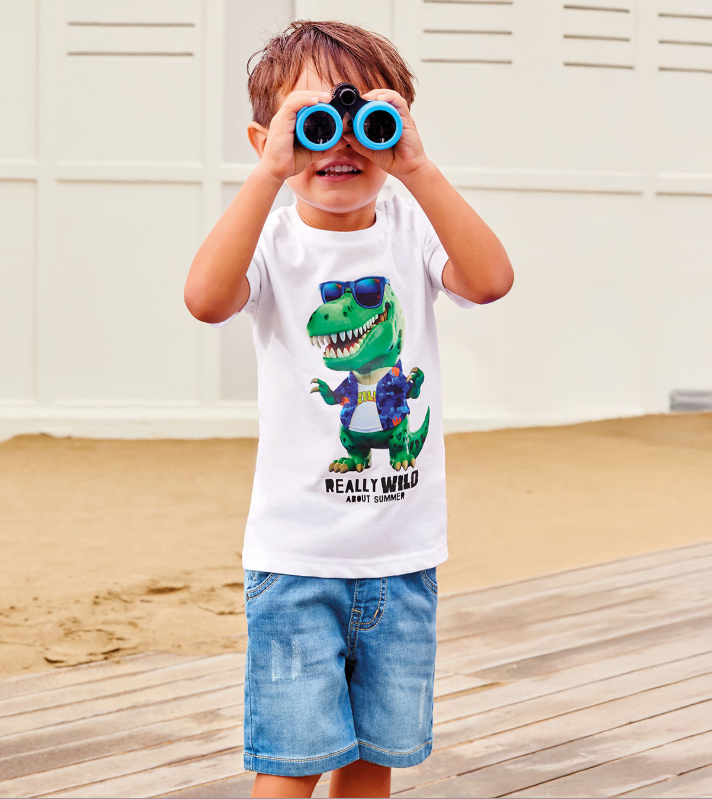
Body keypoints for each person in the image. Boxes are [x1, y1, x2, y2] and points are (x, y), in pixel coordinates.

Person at [184, 19, 513, 799]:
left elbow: (490, 279)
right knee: (291, 760)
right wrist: (270, 173)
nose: (339, 142)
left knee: (374, 758)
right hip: (297, 562)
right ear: (266, 137)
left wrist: (418, 168)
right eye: (311, 123)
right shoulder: (271, 241)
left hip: (401, 559)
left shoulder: (411, 228)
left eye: (365, 118)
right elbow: (205, 299)